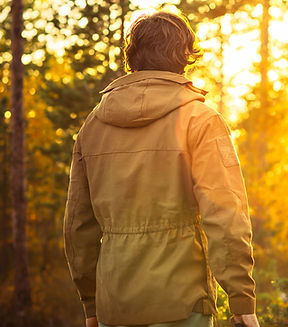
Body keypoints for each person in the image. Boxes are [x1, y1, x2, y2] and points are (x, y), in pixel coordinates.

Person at [63, 11, 259, 327]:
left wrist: (91, 302)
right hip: (182, 303)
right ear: (185, 55)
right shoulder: (202, 120)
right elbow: (226, 214)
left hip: (116, 304)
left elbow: (77, 226)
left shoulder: (93, 126)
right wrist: (242, 300)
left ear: (133, 56)